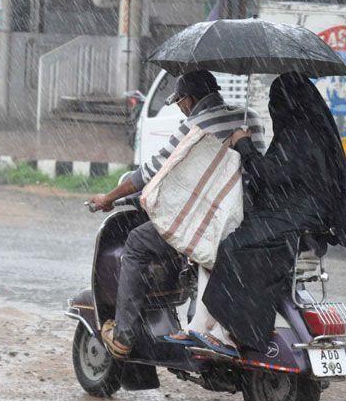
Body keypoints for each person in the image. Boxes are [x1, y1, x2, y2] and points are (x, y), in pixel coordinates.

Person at [87, 69, 266, 358]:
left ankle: (123, 336)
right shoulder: (251, 119)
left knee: (135, 243)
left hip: (210, 223)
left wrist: (108, 198)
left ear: (190, 99)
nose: (182, 110)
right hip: (247, 217)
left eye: (181, 102)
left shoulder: (196, 125)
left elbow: (151, 171)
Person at [201, 71, 346, 353]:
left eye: (276, 101)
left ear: (285, 104)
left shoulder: (297, 136)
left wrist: (243, 144)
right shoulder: (311, 131)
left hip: (296, 219)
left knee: (233, 247)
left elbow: (268, 176)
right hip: (309, 216)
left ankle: (240, 334)